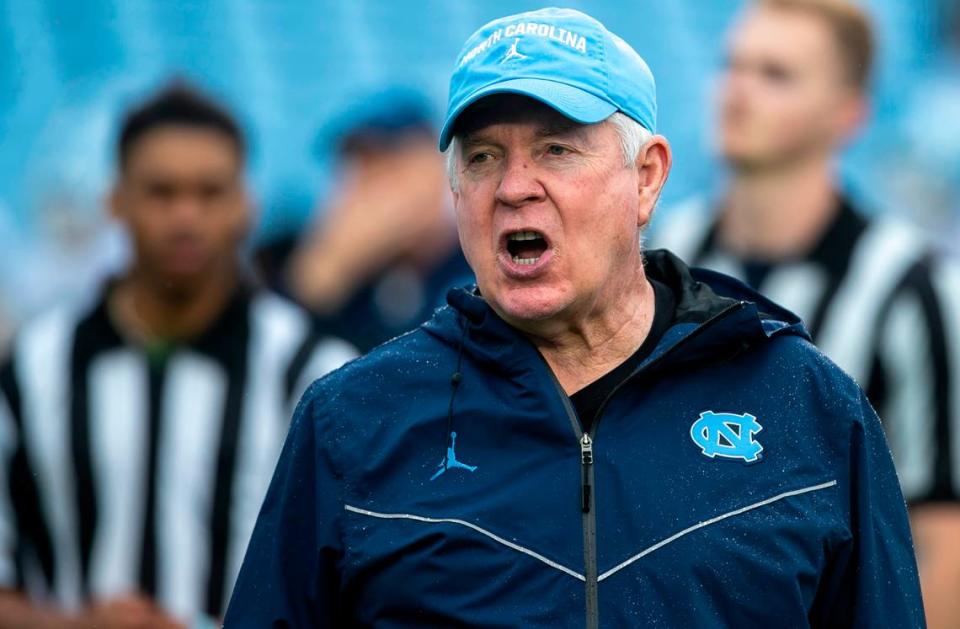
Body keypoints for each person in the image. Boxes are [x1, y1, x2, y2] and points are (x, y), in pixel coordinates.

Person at [226, 8, 924, 627]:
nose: (513, 187)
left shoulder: (808, 408)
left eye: (556, 148)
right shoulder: (352, 422)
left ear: (646, 177)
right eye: (482, 156)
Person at [0, 83, 355, 628]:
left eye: (209, 192)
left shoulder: (320, 376)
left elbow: (354, 589)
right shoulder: (32, 370)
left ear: (245, 205)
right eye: (161, 192)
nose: (186, 217)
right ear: (115, 201)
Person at [651, 1, 960, 624]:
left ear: (848, 114)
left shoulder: (911, 289)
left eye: (776, 74)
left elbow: (940, 537)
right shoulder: (662, 254)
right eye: (732, 65)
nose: (738, 90)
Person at [265, 87, 473, 352]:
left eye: (387, 161)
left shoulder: (476, 257)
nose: (370, 184)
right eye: (357, 165)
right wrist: (327, 268)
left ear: (437, 163)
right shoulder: (352, 277)